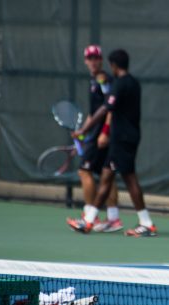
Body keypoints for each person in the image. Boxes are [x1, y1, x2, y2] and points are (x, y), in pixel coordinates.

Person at [67, 49, 157, 237]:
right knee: (107, 177)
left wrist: (83, 131)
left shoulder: (120, 84)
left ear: (114, 65)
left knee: (129, 179)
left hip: (122, 140)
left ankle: (146, 224)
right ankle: (89, 221)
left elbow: (104, 110)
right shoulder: (133, 83)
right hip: (126, 138)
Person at [73, 45, 122, 233]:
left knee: (84, 171)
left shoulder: (103, 80)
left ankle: (89, 216)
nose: (93, 61)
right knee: (105, 175)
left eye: (96, 58)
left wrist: (105, 133)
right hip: (97, 135)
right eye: (89, 58)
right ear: (86, 61)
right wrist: (83, 133)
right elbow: (94, 112)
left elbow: (110, 108)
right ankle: (113, 219)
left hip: (103, 136)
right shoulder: (94, 81)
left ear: (101, 60)